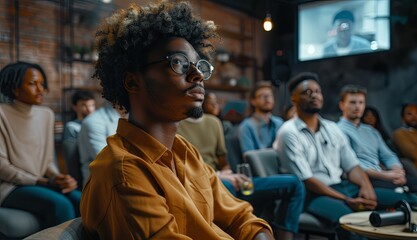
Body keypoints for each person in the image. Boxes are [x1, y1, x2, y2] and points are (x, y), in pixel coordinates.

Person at [80, 2, 274, 239]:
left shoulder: (185, 152)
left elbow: (240, 216)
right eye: (179, 63)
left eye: (200, 65)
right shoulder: (124, 171)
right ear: (132, 82)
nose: (198, 75)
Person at [273, 72, 417, 239]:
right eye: (307, 92)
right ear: (294, 99)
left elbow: (352, 165)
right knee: (353, 225)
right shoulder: (288, 132)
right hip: (312, 194)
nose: (314, 95)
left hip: (343, 186)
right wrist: (347, 200)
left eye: (317, 91)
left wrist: (367, 187)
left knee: (412, 201)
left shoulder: (331, 128)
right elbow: (307, 180)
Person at [178, 113, 304, 240]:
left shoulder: (213, 122)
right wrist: (218, 175)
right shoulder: (175, 125)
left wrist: (228, 172)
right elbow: (180, 168)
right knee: (228, 190)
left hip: (225, 177)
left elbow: (223, 160)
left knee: (294, 183)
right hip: (202, 180)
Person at [0, 62, 80, 229]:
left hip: (39, 182)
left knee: (83, 200)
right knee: (61, 205)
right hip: (8, 187)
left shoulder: (46, 115)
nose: (40, 89)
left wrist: (57, 177)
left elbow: (47, 160)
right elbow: (3, 168)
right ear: (15, 88)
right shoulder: (1, 114)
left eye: (42, 84)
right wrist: (43, 181)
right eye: (32, 84)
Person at [337, 85, 417, 198]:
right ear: (342, 105)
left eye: (361, 102)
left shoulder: (371, 131)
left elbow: (388, 155)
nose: (357, 106)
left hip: (384, 175)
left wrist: (397, 171)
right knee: (411, 198)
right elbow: (351, 165)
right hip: (364, 179)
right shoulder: (337, 131)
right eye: (352, 102)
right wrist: (386, 175)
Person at [78, 103, 125, 184]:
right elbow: (108, 161)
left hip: (122, 178)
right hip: (102, 184)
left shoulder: (133, 117)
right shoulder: (94, 121)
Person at [62, 90, 96, 189]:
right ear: (74, 107)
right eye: (84, 105)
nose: (89, 109)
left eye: (92, 105)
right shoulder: (71, 127)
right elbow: (72, 161)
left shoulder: (98, 125)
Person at [238, 81, 283, 154]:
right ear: (253, 101)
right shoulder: (246, 126)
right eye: (262, 96)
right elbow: (250, 157)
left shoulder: (279, 123)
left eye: (270, 95)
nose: (267, 99)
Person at [393, 103, 417, 178]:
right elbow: (415, 154)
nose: (414, 117)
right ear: (402, 118)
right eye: (409, 114)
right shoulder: (400, 133)